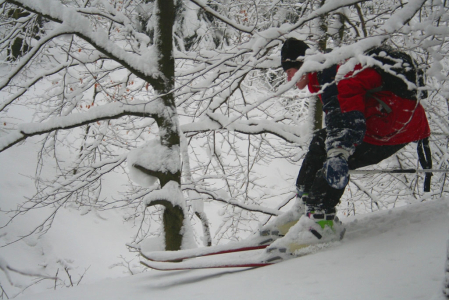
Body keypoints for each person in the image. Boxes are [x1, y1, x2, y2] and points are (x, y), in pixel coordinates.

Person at [261, 38, 431, 249]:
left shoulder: (332, 75)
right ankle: (304, 207)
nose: (288, 77)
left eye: (291, 70)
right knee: (321, 142)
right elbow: (340, 114)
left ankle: (322, 220)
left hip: (392, 129)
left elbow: (345, 103)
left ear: (303, 66)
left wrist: (339, 151)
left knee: (336, 159)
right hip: (389, 123)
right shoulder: (328, 72)